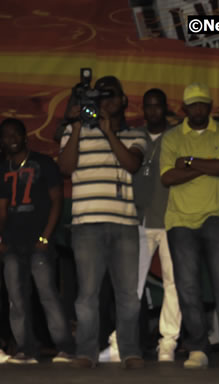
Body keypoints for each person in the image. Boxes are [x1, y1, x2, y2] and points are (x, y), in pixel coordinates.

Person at [160, 82, 219, 370]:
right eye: (193, 105)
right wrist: (206, 165)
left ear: (210, 107)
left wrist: (189, 162)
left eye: (203, 104)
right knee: (187, 286)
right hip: (179, 219)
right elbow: (167, 177)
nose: (198, 109)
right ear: (184, 108)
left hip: (215, 215)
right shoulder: (172, 136)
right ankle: (197, 347)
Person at [58, 76, 147, 368]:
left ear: (123, 100)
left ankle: (130, 351)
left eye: (113, 94)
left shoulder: (135, 134)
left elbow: (132, 164)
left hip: (124, 224)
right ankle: (86, 353)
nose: (107, 100)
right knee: (87, 295)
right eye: (102, 95)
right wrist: (74, 128)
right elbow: (65, 167)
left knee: (128, 295)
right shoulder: (75, 131)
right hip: (86, 224)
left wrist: (109, 133)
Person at [105, 88, 181, 363]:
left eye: (157, 106)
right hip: (138, 220)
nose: (152, 111)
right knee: (131, 285)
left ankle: (167, 344)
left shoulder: (176, 136)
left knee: (174, 284)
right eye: (148, 106)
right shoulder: (134, 136)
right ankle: (118, 344)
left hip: (171, 219)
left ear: (165, 108)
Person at [0, 118, 74, 363]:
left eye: (14, 135)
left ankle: (64, 347)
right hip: (12, 243)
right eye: (5, 136)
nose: (10, 140)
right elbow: (1, 209)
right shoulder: (3, 168)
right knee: (16, 297)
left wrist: (46, 235)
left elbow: (57, 201)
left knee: (47, 295)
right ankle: (25, 349)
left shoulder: (44, 163)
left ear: (24, 137)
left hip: (39, 242)